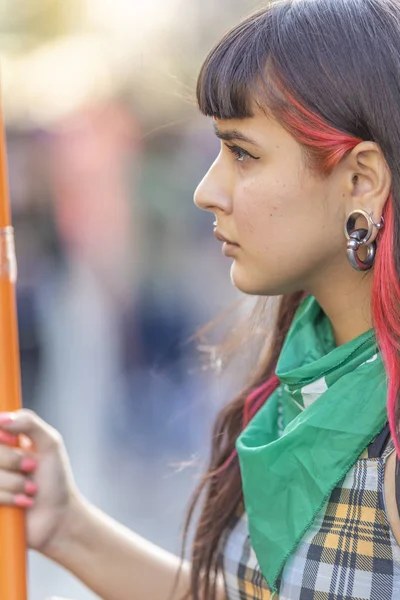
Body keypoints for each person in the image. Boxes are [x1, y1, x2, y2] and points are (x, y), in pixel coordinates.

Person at [1, 0, 400, 598]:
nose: (206, 190)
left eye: (242, 152)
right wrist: (66, 525)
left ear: (361, 180)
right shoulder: (310, 357)